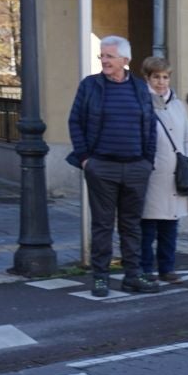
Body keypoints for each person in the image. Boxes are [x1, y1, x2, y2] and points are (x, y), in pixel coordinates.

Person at [66, 36, 159, 298]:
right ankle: (100, 277)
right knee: (103, 225)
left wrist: (147, 162)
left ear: (125, 60)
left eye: (109, 56)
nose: (104, 61)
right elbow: (75, 121)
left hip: (136, 167)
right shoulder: (90, 86)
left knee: (132, 225)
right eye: (102, 56)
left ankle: (132, 276)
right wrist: (86, 159)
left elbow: (150, 126)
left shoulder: (140, 88)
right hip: (102, 167)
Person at [136, 55, 188, 284]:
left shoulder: (177, 104)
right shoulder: (140, 102)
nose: (161, 82)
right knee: (147, 225)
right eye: (156, 77)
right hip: (151, 174)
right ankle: (146, 269)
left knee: (170, 224)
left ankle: (167, 267)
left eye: (165, 77)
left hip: (176, 174)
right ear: (147, 77)